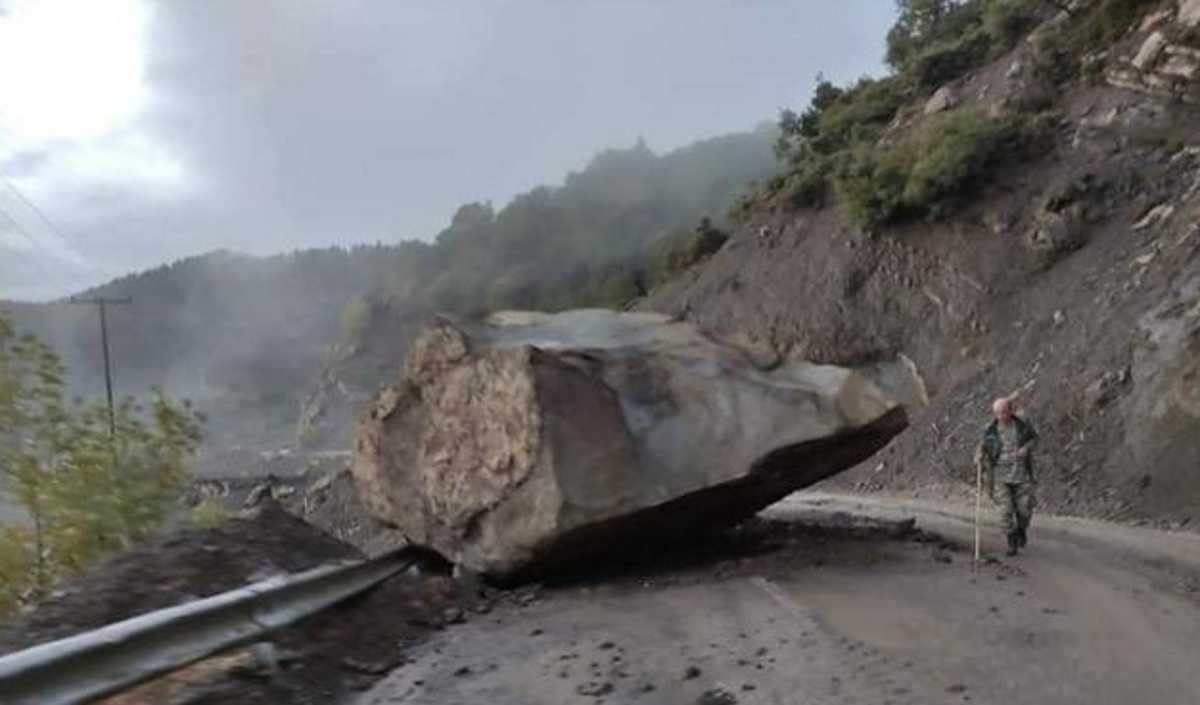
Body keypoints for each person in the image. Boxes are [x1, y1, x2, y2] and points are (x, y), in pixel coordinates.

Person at [974, 397, 1039, 556]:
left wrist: (1026, 448)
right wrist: (978, 456)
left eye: (1003, 412)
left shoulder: (1022, 424)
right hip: (999, 477)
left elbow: (1035, 439)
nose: (1000, 416)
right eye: (997, 413)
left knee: (1025, 509)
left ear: (1011, 410)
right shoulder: (990, 430)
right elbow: (981, 447)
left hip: (1021, 474)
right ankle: (1011, 540)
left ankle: (1021, 530)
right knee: (1004, 512)